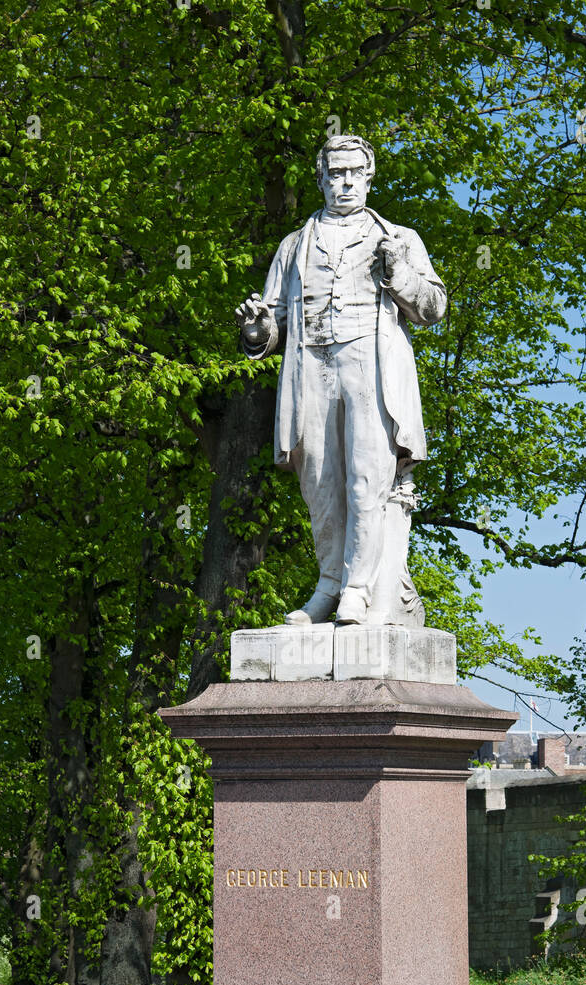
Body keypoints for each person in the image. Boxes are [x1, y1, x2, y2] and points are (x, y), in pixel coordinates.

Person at [235, 134, 446, 626]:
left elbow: (434, 308)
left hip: (369, 364)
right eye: (335, 173)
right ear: (322, 178)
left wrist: (399, 275)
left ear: (369, 177)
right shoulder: (294, 245)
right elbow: (273, 321)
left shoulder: (399, 238)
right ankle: (329, 581)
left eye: (354, 173)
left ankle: (358, 587)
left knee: (366, 478)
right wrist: (256, 329)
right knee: (320, 481)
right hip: (311, 367)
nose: (345, 182)